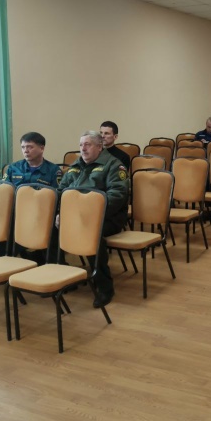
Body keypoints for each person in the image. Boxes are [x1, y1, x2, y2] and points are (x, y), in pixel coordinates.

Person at [58, 130, 129, 308]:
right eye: (81, 145)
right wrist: (61, 213)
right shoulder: (76, 165)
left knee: (90, 234)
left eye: (87, 145)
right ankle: (63, 277)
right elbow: (61, 191)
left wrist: (88, 214)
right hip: (76, 217)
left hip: (108, 217)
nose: (83, 148)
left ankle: (104, 287)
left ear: (99, 147)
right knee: (51, 228)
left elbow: (117, 195)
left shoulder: (114, 165)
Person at [0, 132, 62, 259]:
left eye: (30, 147)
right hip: (17, 214)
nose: (26, 151)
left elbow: (57, 196)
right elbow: (4, 191)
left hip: (41, 215)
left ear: (41, 148)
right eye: (23, 147)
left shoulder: (53, 171)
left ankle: (49, 262)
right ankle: (6, 263)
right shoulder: (14, 168)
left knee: (52, 238)